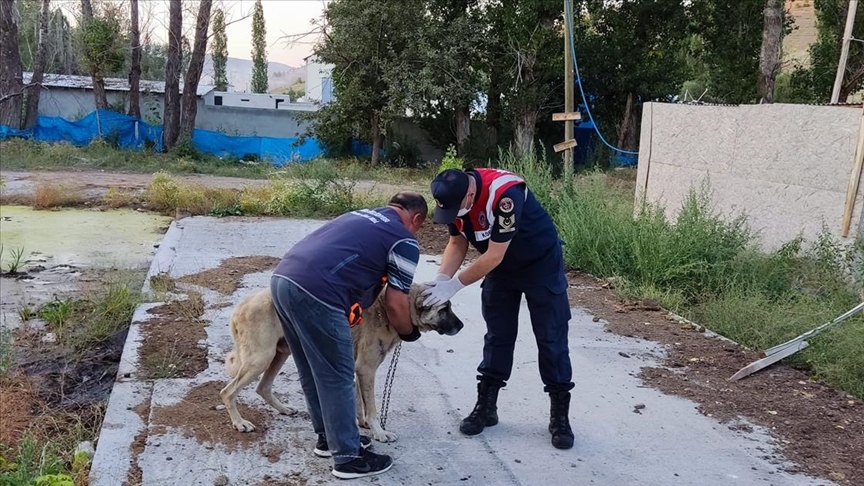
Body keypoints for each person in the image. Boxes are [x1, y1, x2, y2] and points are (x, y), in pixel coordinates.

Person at [270, 191, 428, 479]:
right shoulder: (404, 239)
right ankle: (348, 458)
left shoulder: (359, 215)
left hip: (282, 279)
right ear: (416, 219)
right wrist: (409, 332)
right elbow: (395, 302)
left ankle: (328, 440)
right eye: (419, 226)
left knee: (311, 370)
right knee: (338, 375)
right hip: (319, 292)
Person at [422, 167, 575, 450]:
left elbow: (494, 255)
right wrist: (441, 280)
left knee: (551, 339)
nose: (455, 214)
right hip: (501, 271)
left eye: (459, 207)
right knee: (498, 336)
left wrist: (455, 286)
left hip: (539, 266)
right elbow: (457, 242)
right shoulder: (456, 197)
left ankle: (560, 416)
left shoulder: (505, 194)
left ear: (470, 193)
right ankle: (486, 407)